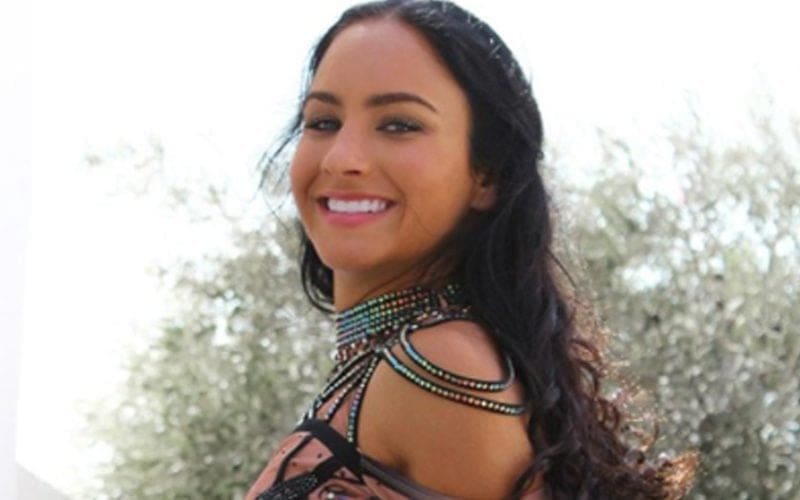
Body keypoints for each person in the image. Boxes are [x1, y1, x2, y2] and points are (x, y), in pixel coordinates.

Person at [247, 1, 694, 498]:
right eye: (323, 122)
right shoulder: (400, 362)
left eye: (399, 125)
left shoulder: (435, 366)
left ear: (487, 175)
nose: (341, 158)